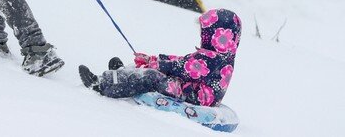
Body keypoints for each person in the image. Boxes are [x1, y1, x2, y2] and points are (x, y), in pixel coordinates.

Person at [79, 9, 241, 107]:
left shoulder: (211, 59)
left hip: (192, 96)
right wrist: (153, 60)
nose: (201, 35)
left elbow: (180, 67)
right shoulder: (220, 56)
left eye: (204, 32)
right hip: (192, 90)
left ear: (217, 35)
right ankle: (122, 74)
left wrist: (154, 64)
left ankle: (102, 84)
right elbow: (183, 61)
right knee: (155, 72)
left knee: (152, 77)